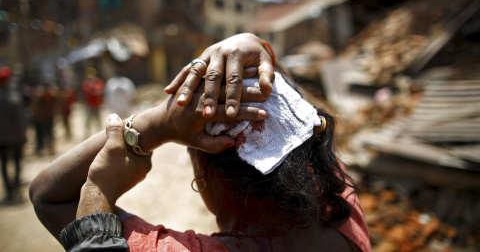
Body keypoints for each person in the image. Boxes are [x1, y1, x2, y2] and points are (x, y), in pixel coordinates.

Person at [29, 33, 370, 251]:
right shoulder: (343, 208)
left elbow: (49, 195)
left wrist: (158, 123)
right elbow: (300, 117)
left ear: (203, 171)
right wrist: (261, 48)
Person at [0, 66, 27, 201]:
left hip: (3, 139)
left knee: (5, 164)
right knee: (16, 162)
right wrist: (23, 135)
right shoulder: (13, 96)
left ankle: (9, 189)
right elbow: (20, 119)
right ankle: (15, 187)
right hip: (15, 137)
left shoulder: (13, 94)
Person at [81, 67, 105, 138]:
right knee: (88, 121)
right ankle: (87, 135)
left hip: (97, 105)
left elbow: (99, 91)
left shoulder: (98, 82)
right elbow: (86, 92)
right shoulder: (86, 83)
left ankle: (100, 134)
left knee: (98, 120)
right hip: (89, 105)